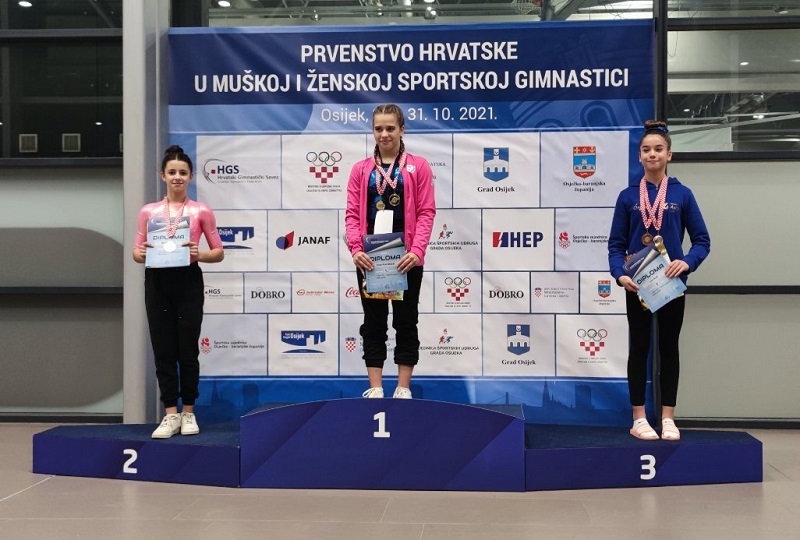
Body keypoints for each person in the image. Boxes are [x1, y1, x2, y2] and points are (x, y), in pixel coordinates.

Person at [608, 120, 710, 441]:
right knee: (639, 348)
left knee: (669, 349)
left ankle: (668, 418)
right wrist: (620, 274)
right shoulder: (627, 196)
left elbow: (702, 240)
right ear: (639, 156)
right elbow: (615, 245)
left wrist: (687, 262)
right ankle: (639, 418)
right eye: (646, 150)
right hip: (638, 285)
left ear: (669, 155)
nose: (652, 154)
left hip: (670, 284)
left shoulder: (682, 194)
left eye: (658, 149)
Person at [133, 145, 224, 438]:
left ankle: (188, 412)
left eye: (183, 173)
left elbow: (219, 252)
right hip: (157, 282)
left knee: (187, 349)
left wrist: (199, 254)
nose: (177, 177)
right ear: (162, 175)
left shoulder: (200, 211)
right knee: (163, 349)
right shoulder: (148, 211)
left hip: (188, 281)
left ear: (191, 177)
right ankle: (170, 413)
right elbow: (136, 252)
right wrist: (142, 253)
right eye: (171, 172)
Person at [345, 104, 436, 399]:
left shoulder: (418, 166)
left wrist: (417, 250)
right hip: (370, 258)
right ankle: (375, 388)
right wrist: (356, 249)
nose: (384, 134)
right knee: (373, 323)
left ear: (402, 130)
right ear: (373, 131)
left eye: (390, 128)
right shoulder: (360, 170)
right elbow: (352, 215)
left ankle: (402, 388)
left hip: (406, 258)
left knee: (406, 322)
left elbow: (426, 211)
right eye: (378, 128)